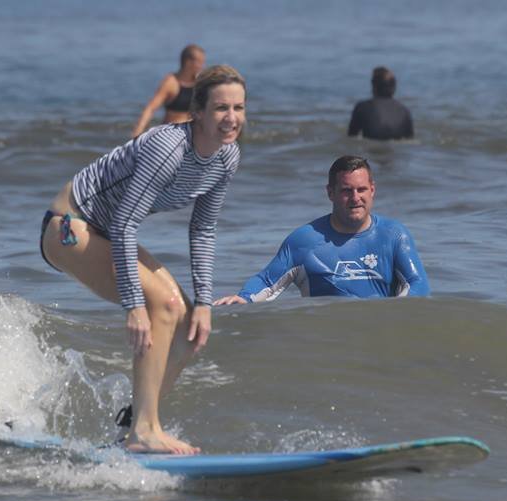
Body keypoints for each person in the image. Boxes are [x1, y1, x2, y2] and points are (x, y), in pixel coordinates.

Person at [40, 65, 246, 454]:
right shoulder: (168, 148)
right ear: (197, 111)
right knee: (163, 305)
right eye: (221, 108)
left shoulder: (226, 158)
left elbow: (202, 229)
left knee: (189, 328)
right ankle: (144, 432)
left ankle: (132, 425)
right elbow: (124, 223)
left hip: (106, 231)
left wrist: (204, 301)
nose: (231, 118)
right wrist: (135, 306)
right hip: (70, 228)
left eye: (239, 107)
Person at [214, 155, 428, 304]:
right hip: (326, 341)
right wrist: (244, 297)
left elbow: (418, 285)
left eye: (361, 189)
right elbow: (267, 281)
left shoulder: (393, 235)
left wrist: (392, 318)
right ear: (330, 193)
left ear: (372, 190)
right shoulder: (304, 242)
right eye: (346, 191)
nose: (355, 198)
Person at [131, 44, 206, 138]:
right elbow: (151, 108)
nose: (202, 66)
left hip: (192, 136)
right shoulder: (171, 82)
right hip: (170, 135)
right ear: (188, 62)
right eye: (200, 62)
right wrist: (138, 132)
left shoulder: (199, 83)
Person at [347, 67, 414, 141]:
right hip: (397, 149)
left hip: (371, 148)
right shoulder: (404, 110)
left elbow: (351, 136)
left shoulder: (362, 107)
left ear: (373, 86)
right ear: (394, 88)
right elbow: (410, 139)